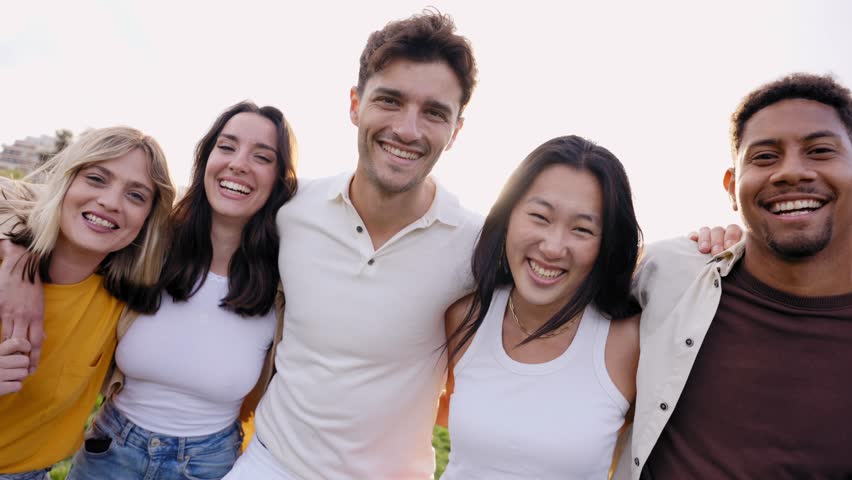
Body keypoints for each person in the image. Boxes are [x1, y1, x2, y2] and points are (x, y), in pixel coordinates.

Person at [0, 102, 297, 479]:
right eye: (226, 146)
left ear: (280, 177)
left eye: (262, 156)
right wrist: (16, 259)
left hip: (210, 459)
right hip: (112, 450)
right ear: (205, 158)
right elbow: (19, 197)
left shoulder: (287, 275)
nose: (239, 163)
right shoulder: (146, 250)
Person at [613, 73, 852, 479]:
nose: (791, 172)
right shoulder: (670, 270)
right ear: (731, 187)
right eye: (764, 157)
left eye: (819, 151)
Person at [442, 135, 641, 479]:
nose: (553, 247)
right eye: (539, 216)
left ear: (606, 245)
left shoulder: (630, 343)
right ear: (508, 217)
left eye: (582, 229)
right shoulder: (465, 317)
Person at [0, 127, 176, 480]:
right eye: (96, 178)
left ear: (147, 221)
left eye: (136, 195)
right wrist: (17, 256)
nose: (111, 202)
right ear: (65, 182)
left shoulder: (124, 302)